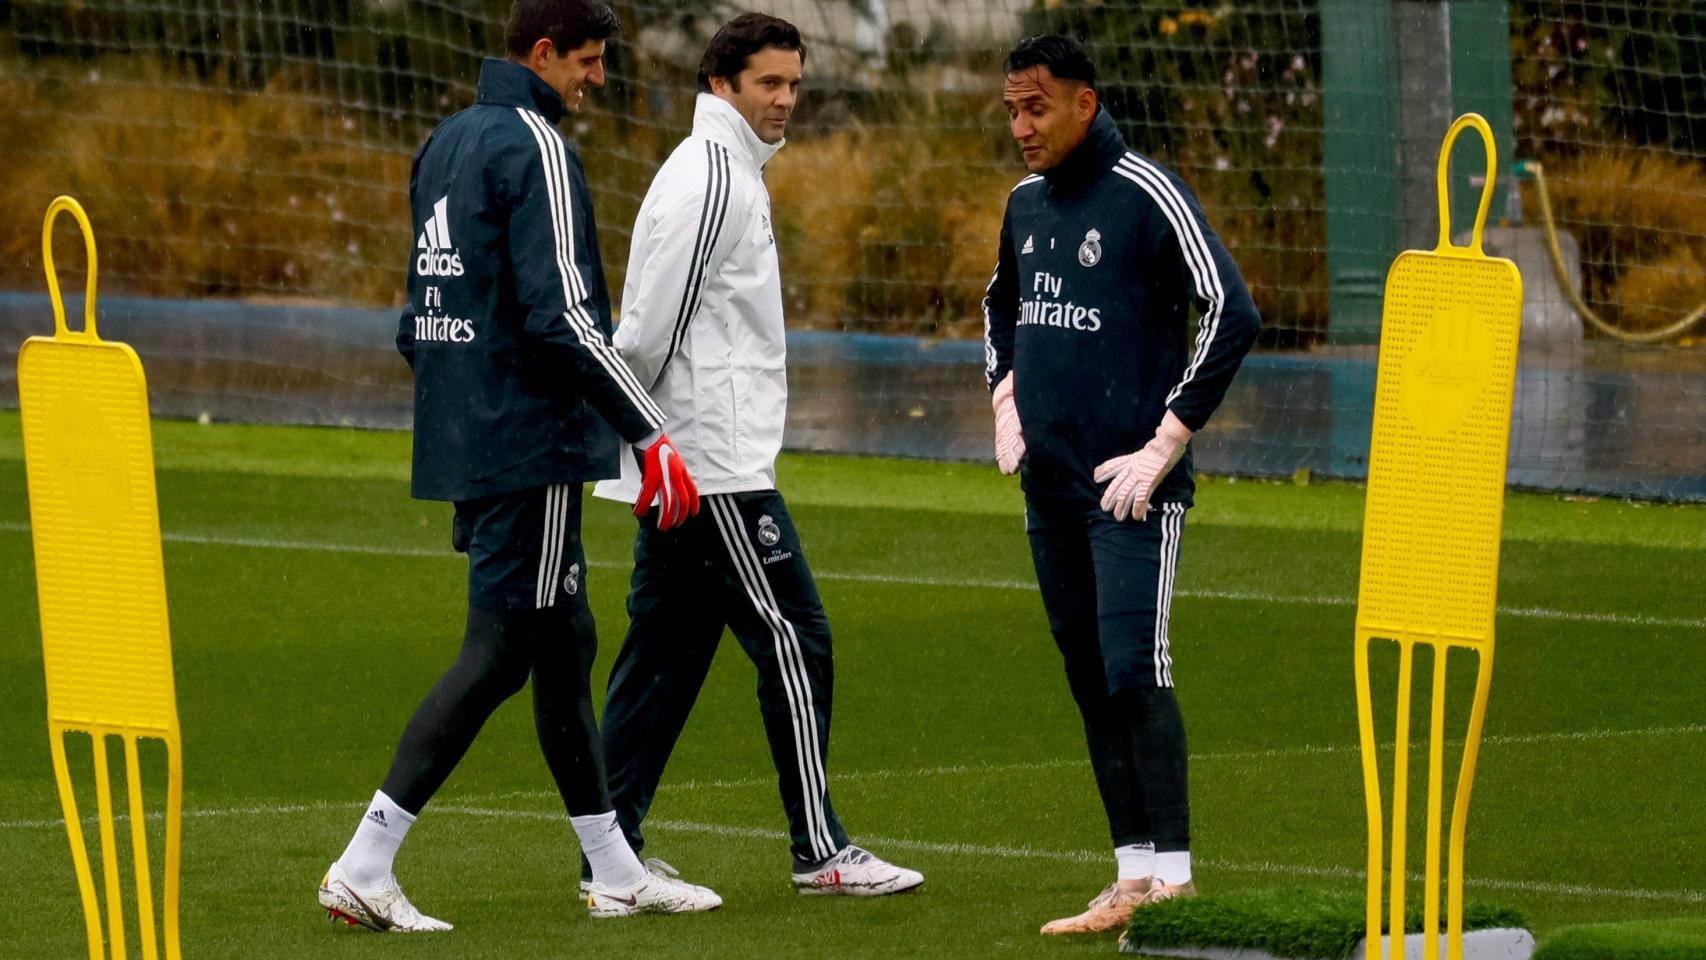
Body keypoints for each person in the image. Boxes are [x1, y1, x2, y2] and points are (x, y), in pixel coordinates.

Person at [316, 0, 721, 931]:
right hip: (529, 440)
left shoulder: (446, 141)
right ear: (542, 54)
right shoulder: (534, 144)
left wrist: (460, 418)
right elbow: (564, 316)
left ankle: (615, 867)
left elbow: (418, 318)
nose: (599, 78)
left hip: (471, 433)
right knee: (501, 651)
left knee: (564, 640)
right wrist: (650, 431)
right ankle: (364, 862)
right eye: (587, 60)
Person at [587, 13, 924, 899]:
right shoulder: (711, 176)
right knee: (797, 640)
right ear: (722, 84)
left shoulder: (727, 169)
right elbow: (648, 328)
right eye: (770, 84)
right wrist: (652, 441)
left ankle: (611, 855)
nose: (786, 100)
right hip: (712, 467)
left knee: (665, 652)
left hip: (698, 456)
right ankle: (819, 850)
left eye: (794, 84)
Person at [982, 35, 1261, 936]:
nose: (1021, 126)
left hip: (1131, 490)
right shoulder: (1024, 205)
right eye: (1012, 110)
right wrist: (1005, 396)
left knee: (1136, 669)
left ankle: (1177, 877)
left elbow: (1233, 309)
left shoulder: (1146, 192)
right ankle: (1131, 876)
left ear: (1083, 104)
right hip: (1050, 490)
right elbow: (1001, 307)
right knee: (1088, 676)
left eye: (1036, 107)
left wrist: (1167, 442)